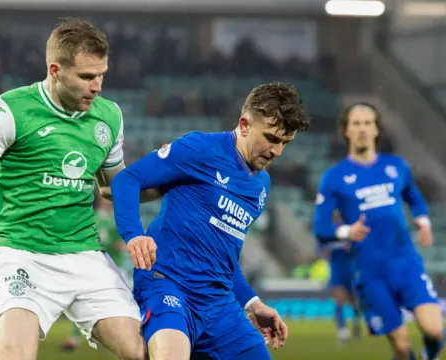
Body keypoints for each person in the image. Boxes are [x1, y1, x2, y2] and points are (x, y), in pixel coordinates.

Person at [0, 18, 158, 360]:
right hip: (20, 251)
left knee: (144, 351)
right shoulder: (12, 110)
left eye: (101, 75)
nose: (97, 86)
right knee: (14, 353)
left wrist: (170, 185)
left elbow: (115, 190)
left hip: (83, 251)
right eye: (86, 76)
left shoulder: (109, 117)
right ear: (55, 70)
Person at [110, 82, 310, 360]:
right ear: (244, 125)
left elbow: (225, 258)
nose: (277, 151)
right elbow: (127, 180)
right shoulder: (200, 148)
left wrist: (252, 303)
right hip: (168, 284)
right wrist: (133, 234)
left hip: (218, 303)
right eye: (272, 139)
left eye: (285, 143)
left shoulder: (261, 185)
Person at [313, 102, 442, 360]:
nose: (362, 129)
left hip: (406, 264)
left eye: (367, 123)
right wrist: (347, 232)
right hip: (370, 273)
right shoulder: (334, 178)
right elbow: (321, 227)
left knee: (435, 330)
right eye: (356, 124)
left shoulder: (397, 166)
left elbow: (414, 198)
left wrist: (423, 221)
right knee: (402, 347)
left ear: (377, 129)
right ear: (346, 131)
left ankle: (430, 355)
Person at [61, 195, 133, 352]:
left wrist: (117, 245)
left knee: (128, 302)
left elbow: (122, 244)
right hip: (95, 267)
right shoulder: (91, 217)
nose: (107, 202)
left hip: (117, 267)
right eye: (105, 199)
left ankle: (131, 334)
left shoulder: (116, 220)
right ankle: (74, 338)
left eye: (109, 200)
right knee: (81, 299)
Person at [318, 210, 362, 345]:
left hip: (350, 270)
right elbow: (321, 250)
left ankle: (356, 322)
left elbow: (357, 248)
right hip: (336, 270)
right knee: (339, 301)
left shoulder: (350, 228)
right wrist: (325, 252)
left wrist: (351, 248)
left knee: (354, 301)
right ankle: (342, 332)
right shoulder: (328, 232)